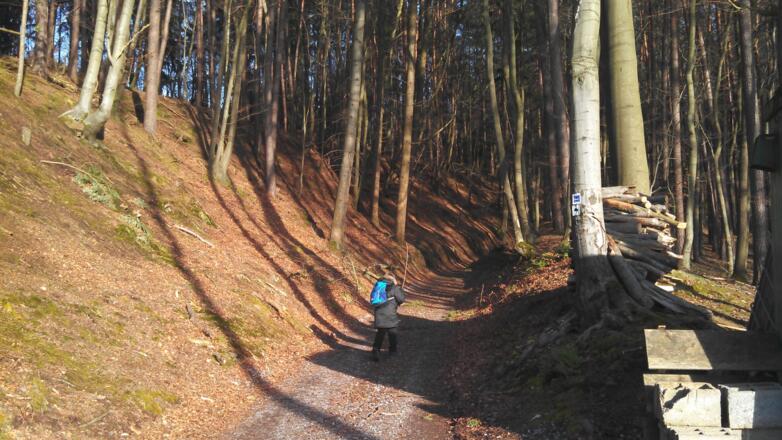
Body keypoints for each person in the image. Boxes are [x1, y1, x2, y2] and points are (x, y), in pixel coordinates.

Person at [371, 273, 405, 361]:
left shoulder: (378, 286)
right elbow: (401, 299)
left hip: (379, 313)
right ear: (393, 279)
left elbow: (373, 299)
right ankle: (392, 351)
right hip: (390, 314)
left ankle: (376, 350)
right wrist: (400, 290)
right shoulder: (395, 287)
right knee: (392, 333)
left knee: (380, 333)